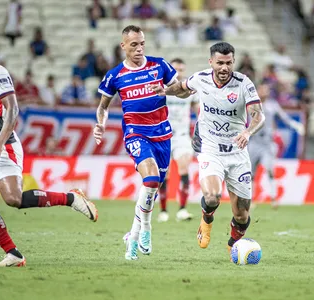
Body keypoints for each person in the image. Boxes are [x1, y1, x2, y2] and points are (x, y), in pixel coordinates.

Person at [151, 42, 265, 252]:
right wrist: (165, 91)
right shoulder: (201, 78)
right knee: (212, 197)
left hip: (237, 152)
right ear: (211, 61)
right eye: (220, 63)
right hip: (210, 148)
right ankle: (206, 221)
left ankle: (232, 244)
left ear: (233, 62)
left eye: (229, 63)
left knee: (242, 215)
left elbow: (258, 114)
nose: (224, 68)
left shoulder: (243, 83)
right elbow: (183, 89)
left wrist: (247, 132)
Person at [94, 25, 184, 260]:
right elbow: (102, 107)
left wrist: (166, 90)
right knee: (151, 179)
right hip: (136, 133)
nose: (139, 49)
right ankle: (144, 231)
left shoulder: (159, 65)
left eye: (142, 43)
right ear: (123, 46)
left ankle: (134, 234)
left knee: (152, 191)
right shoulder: (115, 75)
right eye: (133, 44)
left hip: (162, 134)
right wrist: (101, 124)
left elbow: (183, 92)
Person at [0, 64, 98, 267]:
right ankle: (13, 253)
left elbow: (13, 109)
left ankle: (71, 198)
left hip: (4, 143)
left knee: (13, 199)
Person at [247, 84, 304, 208]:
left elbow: (284, 118)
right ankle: (250, 200)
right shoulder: (250, 104)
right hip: (254, 142)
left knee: (270, 169)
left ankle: (273, 198)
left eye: (267, 90)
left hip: (268, 143)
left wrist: (295, 125)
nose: (265, 92)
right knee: (250, 173)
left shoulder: (273, 105)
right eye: (262, 89)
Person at [158, 58, 199, 223]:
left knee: (183, 169)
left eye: (182, 69)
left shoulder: (188, 91)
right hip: (164, 136)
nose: (179, 72)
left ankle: (182, 209)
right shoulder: (161, 89)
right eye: (176, 69)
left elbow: (200, 113)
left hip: (182, 137)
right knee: (164, 173)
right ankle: (163, 210)